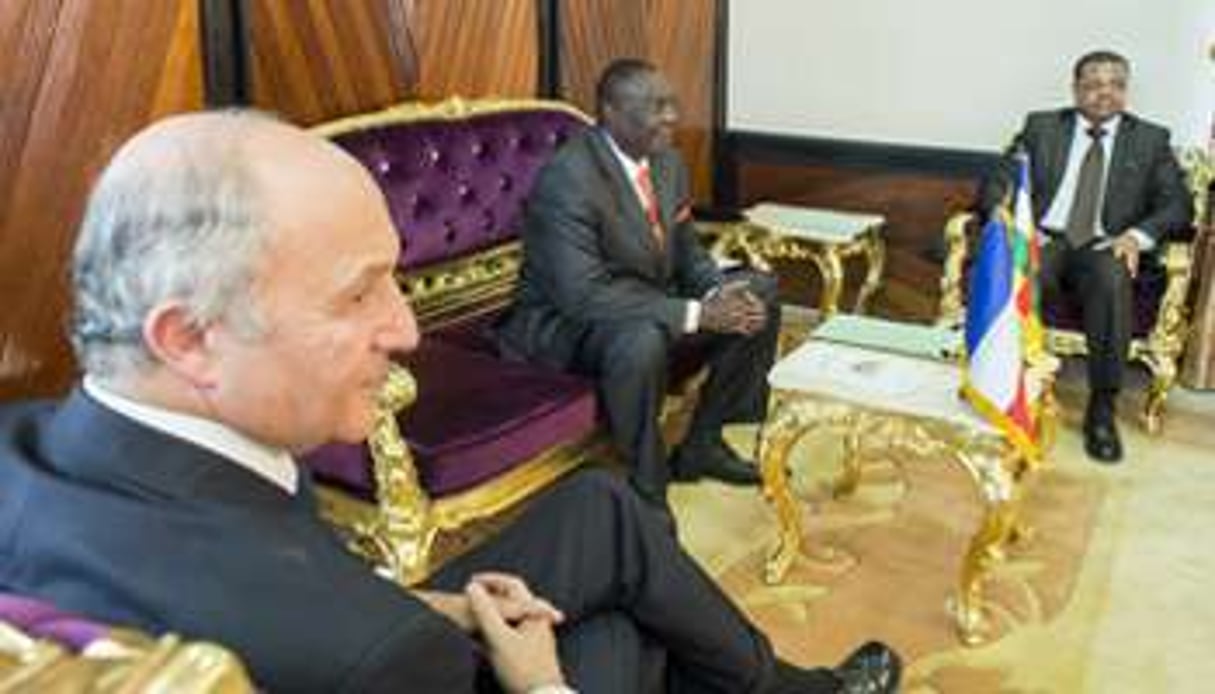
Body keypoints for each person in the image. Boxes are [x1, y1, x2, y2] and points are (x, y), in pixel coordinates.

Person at [0, 111, 901, 693]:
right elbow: (321, 617)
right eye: (358, 295)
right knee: (623, 641)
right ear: (188, 337)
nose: (403, 330)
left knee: (603, 506)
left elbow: (276, 564)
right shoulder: (381, 659)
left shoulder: (24, 444)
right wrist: (542, 684)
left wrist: (447, 608)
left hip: (364, 613)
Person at [497, 59, 780, 509]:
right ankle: (646, 483)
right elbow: (583, 294)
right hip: (567, 324)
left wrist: (716, 292)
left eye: (670, 103)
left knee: (757, 290)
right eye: (654, 106)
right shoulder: (568, 178)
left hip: (641, 297)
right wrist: (696, 315)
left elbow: (687, 250)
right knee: (640, 338)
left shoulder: (666, 163)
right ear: (610, 112)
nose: (671, 116)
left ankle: (703, 442)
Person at [977, 49, 1192, 464]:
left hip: (1104, 246)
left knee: (1113, 276)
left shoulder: (1151, 139)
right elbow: (995, 185)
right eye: (1093, 84)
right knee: (1023, 272)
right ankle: (1017, 391)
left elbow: (1178, 206)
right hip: (1046, 240)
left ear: (1126, 91)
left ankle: (1102, 408)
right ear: (1076, 89)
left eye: (1115, 84)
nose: (1104, 94)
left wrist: (1136, 236)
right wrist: (1020, 228)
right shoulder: (1041, 128)